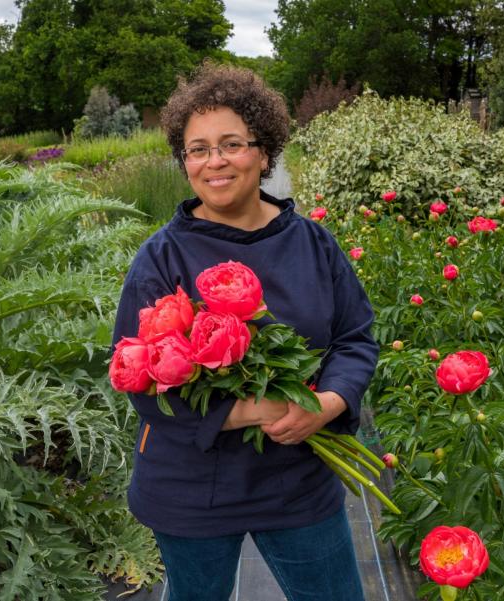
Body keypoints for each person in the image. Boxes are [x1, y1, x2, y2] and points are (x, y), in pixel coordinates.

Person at [110, 62, 379, 601]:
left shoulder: (313, 244)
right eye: (198, 149)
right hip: (192, 487)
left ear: (263, 151)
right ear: (183, 160)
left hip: (297, 480)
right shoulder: (160, 259)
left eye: (231, 144)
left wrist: (325, 403)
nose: (215, 162)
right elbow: (138, 379)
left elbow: (355, 338)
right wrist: (253, 412)